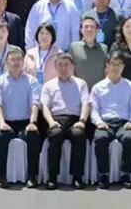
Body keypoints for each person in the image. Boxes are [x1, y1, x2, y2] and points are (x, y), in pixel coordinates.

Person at [0, 45, 42, 187]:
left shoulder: (32, 81)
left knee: (34, 136)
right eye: (13, 59)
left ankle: (32, 176)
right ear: (7, 63)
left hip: (25, 122)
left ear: (23, 62)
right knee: (1, 136)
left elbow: (34, 103)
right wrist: (1, 123)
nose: (16, 62)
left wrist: (33, 122)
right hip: (6, 122)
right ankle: (1, 176)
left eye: (19, 59)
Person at [38, 53, 92, 189]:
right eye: (60, 65)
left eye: (66, 65)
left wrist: (82, 120)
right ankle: (52, 177)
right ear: (55, 67)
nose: (63, 68)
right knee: (55, 135)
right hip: (56, 119)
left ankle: (77, 177)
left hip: (75, 119)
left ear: (72, 66)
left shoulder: (81, 84)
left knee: (79, 134)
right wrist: (51, 122)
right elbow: (45, 106)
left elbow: (86, 103)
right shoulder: (48, 85)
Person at [89, 56, 131, 188]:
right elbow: (93, 109)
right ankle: (103, 174)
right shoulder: (98, 87)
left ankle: (126, 173)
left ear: (123, 67)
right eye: (113, 64)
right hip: (105, 122)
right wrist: (99, 122)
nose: (115, 67)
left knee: (130, 138)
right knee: (100, 138)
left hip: (124, 122)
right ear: (107, 66)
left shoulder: (130, 86)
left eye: (119, 64)